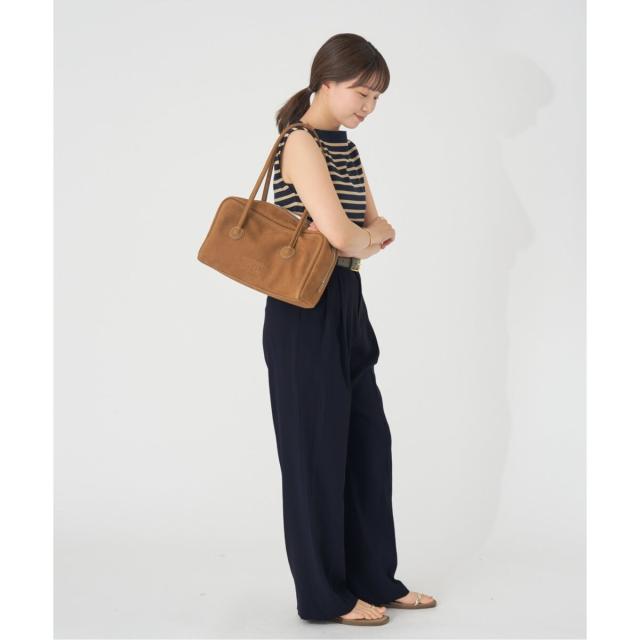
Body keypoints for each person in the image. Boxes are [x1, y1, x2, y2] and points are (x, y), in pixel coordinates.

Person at [262, 33, 437, 626]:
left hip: (347, 300)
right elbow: (349, 235)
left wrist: (361, 236)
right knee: (314, 455)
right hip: (301, 308)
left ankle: (373, 579)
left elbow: (373, 226)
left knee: (367, 444)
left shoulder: (345, 149)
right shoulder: (299, 143)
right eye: (362, 92)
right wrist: (360, 237)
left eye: (377, 97)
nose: (369, 106)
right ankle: (324, 596)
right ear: (326, 83)